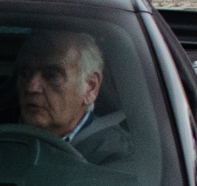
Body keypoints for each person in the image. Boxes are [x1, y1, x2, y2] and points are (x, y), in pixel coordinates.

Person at [7, 28, 134, 167]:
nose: (31, 87)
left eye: (52, 75)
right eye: (25, 73)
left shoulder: (116, 155)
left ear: (90, 87)